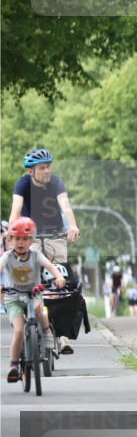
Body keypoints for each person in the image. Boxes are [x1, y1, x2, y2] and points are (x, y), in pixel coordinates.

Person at [9, 149, 81, 353]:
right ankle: (25, 322)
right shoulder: (22, 183)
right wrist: (13, 235)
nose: (46, 170)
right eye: (42, 167)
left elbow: (65, 206)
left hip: (56, 236)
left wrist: (72, 225)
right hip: (30, 237)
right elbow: (16, 210)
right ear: (31, 171)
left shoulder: (56, 182)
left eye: (48, 166)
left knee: (60, 282)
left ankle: (63, 336)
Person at [1, 217, 66, 382]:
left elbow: (50, 267)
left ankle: (46, 331)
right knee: (18, 331)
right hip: (13, 297)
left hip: (33, 293)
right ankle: (14, 366)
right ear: (9, 240)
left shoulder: (36, 255)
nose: (20, 243)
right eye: (16, 239)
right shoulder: (7, 257)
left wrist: (58, 277)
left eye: (24, 239)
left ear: (31, 241)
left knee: (40, 311)